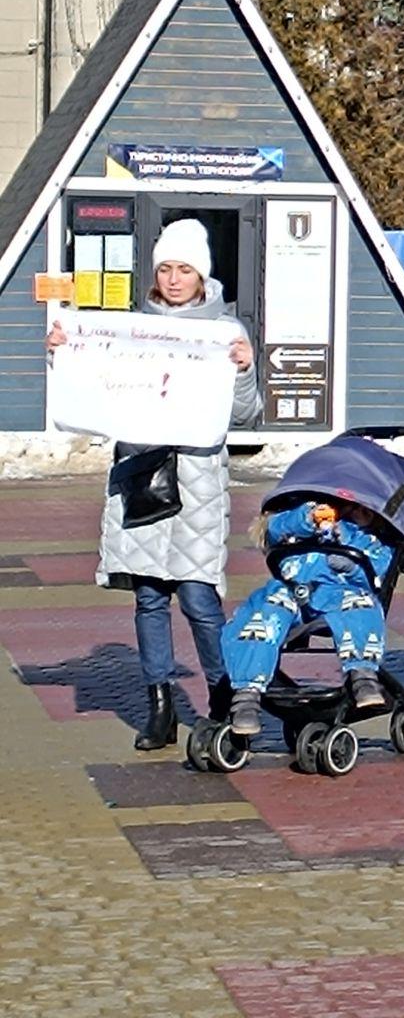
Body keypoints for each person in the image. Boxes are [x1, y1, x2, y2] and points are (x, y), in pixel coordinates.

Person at [49, 219, 260, 751]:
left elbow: (247, 414)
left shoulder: (226, 332)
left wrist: (244, 370)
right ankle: (160, 704)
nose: (172, 278)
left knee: (198, 596)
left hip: (196, 483)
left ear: (201, 275)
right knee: (148, 596)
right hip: (140, 475)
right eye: (165, 268)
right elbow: (94, 383)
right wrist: (64, 351)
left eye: (183, 269)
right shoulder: (131, 327)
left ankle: (223, 693)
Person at [222, 500, 395, 736]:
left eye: (366, 510)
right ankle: (246, 696)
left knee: (360, 607)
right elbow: (274, 528)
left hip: (338, 592)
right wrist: (308, 518)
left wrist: (353, 567)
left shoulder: (370, 540)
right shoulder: (308, 517)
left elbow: (376, 575)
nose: (357, 513)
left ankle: (362, 674)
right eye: (352, 507)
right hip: (291, 588)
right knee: (260, 616)